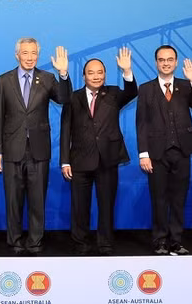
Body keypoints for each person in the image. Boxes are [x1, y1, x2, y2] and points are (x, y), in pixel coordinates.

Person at [0, 37, 70, 255]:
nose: (29, 57)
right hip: (11, 148)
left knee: (37, 200)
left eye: (33, 53)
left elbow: (64, 98)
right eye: (25, 53)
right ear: (17, 55)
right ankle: (15, 241)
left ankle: (35, 241)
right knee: (13, 200)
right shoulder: (4, 80)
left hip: (38, 149)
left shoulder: (47, 78)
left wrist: (63, 74)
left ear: (38, 55)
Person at [60, 47, 136, 256]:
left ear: (105, 74)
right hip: (79, 160)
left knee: (106, 205)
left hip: (107, 160)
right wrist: (65, 161)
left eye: (100, 72)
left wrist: (127, 72)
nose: (96, 76)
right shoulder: (73, 98)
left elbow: (131, 93)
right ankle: (81, 244)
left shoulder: (113, 93)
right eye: (91, 73)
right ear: (84, 76)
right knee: (79, 207)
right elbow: (65, 129)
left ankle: (105, 244)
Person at [136, 44, 192, 255]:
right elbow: (141, 123)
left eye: (170, 59)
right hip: (156, 154)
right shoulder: (146, 89)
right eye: (162, 60)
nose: (166, 63)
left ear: (175, 62)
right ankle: (160, 241)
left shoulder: (185, 86)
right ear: (156, 62)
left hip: (182, 151)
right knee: (158, 198)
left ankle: (176, 241)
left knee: (178, 198)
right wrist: (143, 153)